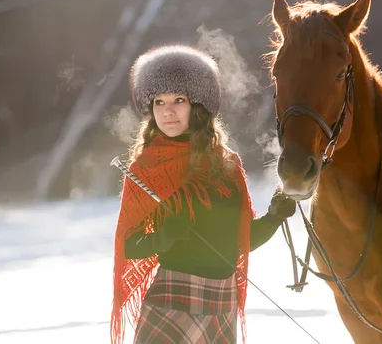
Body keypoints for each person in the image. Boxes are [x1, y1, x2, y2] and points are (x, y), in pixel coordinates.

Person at [111, 44, 296, 344]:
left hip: (221, 306)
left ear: (198, 106)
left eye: (178, 100)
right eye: (159, 102)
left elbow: (242, 241)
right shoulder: (146, 168)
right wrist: (162, 238)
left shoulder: (227, 165)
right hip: (170, 303)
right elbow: (127, 246)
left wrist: (275, 217)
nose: (167, 111)